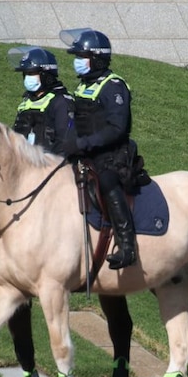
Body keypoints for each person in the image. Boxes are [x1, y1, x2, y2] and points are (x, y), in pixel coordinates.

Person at [59, 27, 138, 270]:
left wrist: (84, 143)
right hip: (86, 154)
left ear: (97, 59)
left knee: (106, 182)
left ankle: (127, 245)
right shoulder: (83, 87)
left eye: (81, 58)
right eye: (77, 58)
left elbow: (117, 128)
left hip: (112, 156)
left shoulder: (113, 86)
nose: (77, 63)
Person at [6, 46, 75, 156]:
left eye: (32, 73)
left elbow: (65, 142)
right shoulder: (25, 103)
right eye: (26, 74)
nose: (28, 78)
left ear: (46, 75)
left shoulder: (60, 102)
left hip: (50, 166)